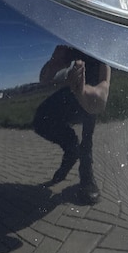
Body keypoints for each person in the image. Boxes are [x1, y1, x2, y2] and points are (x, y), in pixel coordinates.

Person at [33, 45, 111, 204]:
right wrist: (53, 64)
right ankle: (71, 150)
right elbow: (44, 79)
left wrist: (92, 93)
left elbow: (103, 86)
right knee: (40, 120)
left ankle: (86, 174)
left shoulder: (100, 49)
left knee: (87, 136)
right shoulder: (69, 43)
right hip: (68, 93)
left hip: (89, 99)